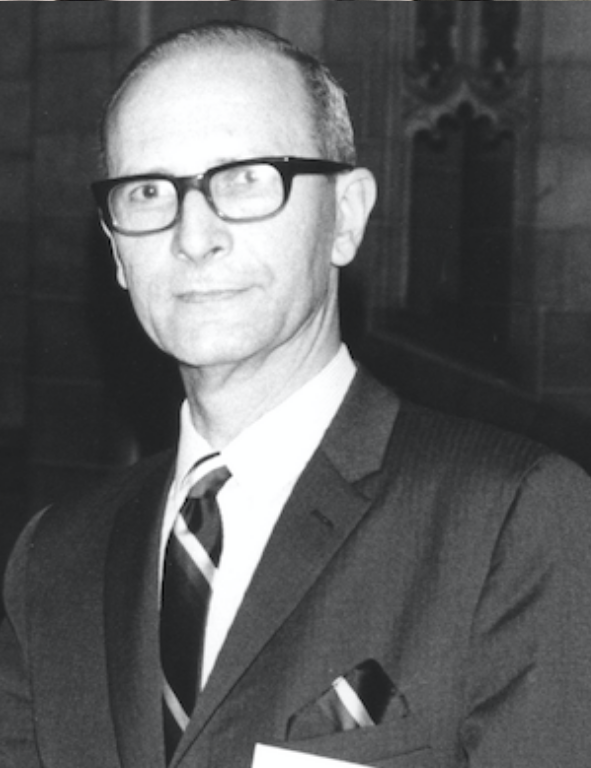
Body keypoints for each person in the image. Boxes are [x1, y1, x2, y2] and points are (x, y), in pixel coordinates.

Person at [1, 20, 591, 768]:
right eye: (149, 191)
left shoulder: (510, 521)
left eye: (246, 178)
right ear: (115, 251)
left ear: (344, 217)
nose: (193, 235)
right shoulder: (53, 559)